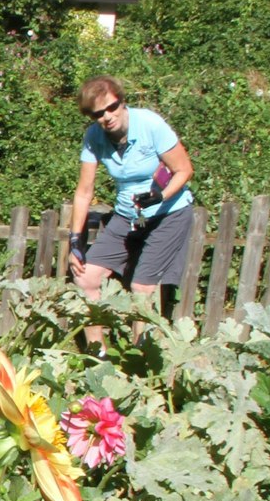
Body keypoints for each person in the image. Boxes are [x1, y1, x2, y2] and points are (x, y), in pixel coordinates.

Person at [67, 75, 195, 341]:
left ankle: (140, 358)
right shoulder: (94, 137)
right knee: (85, 277)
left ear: (122, 102)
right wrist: (75, 241)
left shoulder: (150, 124)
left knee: (141, 287)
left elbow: (184, 170)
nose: (107, 116)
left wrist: (159, 196)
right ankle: (97, 355)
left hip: (167, 214)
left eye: (112, 107)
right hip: (128, 216)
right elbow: (84, 192)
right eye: (98, 113)